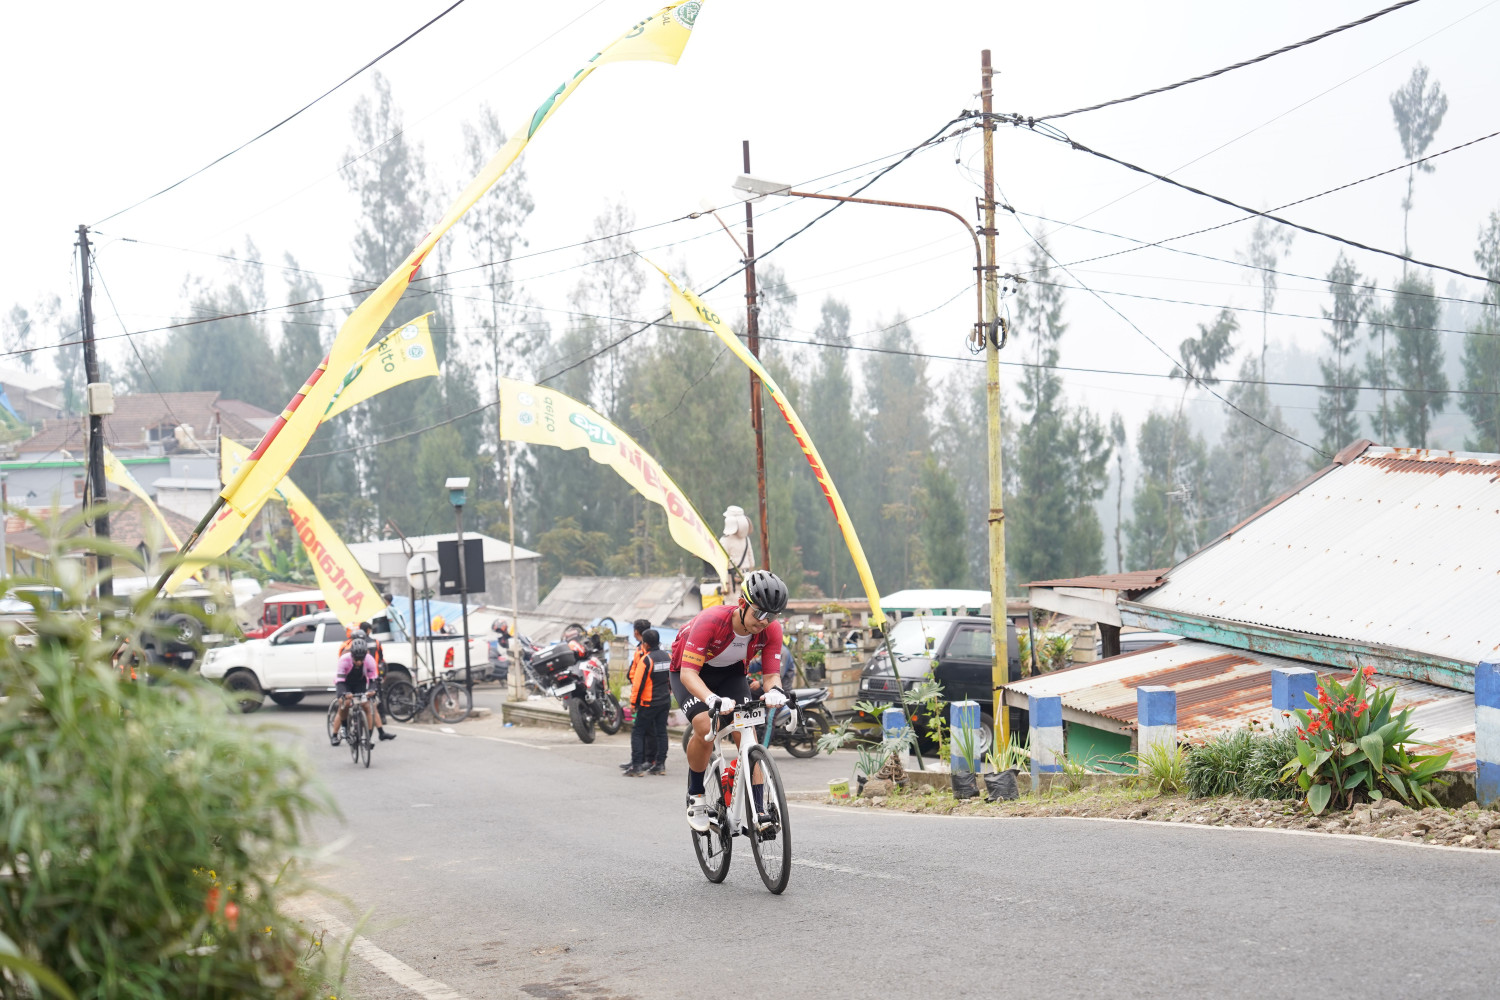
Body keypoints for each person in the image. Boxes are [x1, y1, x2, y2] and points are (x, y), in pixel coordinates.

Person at [670, 570, 788, 832]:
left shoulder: (771, 629)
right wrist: (711, 698)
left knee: (748, 734)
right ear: (742, 604)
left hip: (730, 674)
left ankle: (759, 810)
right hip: (689, 672)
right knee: (705, 727)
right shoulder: (711, 620)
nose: (765, 621)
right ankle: (696, 795)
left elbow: (771, 676)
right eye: (759, 613)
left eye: (772, 616)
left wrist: (776, 692)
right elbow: (688, 674)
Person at [331, 632, 396, 747]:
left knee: (368, 706)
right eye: (356, 659)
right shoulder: (344, 660)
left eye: (361, 659)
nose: (359, 662)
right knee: (344, 703)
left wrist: (372, 690)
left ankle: (368, 738)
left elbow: (373, 679)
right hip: (345, 682)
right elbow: (340, 681)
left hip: (359, 682)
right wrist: (344, 694)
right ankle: (340, 730)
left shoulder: (369, 660)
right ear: (351, 655)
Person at [624, 628, 671, 776]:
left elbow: (638, 685)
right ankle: (660, 764)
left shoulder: (646, 660)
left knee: (638, 732)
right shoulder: (668, 656)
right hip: (665, 701)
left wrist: (633, 704)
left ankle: (636, 766)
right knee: (661, 732)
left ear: (645, 644)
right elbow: (673, 678)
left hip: (649, 703)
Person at [620, 619, 654, 771]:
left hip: (645, 694)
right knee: (646, 729)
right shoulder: (644, 648)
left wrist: (634, 700)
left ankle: (645, 760)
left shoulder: (645, 650)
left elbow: (641, 674)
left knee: (645, 730)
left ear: (635, 632)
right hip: (643, 692)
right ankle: (640, 760)